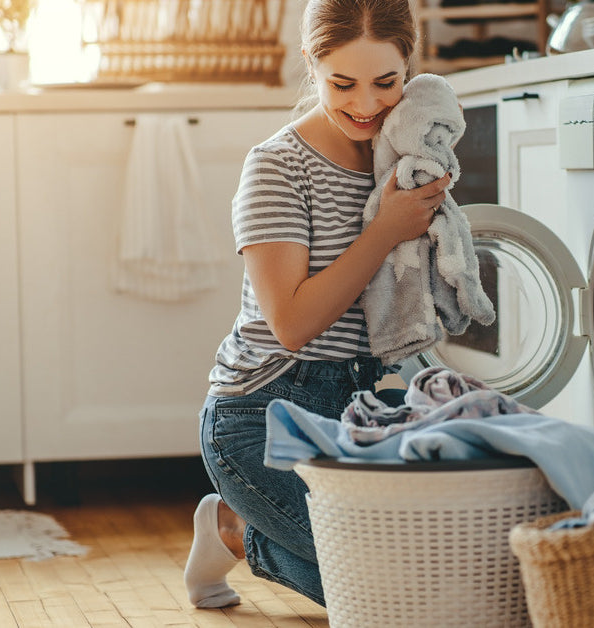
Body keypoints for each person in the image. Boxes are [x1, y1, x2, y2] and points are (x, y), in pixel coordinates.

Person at [183, 0, 455, 609]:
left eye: (386, 83)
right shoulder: (277, 167)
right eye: (342, 84)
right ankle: (234, 528)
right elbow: (293, 326)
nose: (365, 105)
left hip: (360, 404)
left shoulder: (406, 157)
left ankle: (246, 527)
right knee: (390, 600)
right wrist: (382, 230)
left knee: (442, 565)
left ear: (410, 66)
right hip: (262, 418)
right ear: (311, 65)